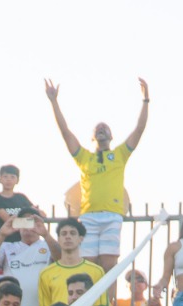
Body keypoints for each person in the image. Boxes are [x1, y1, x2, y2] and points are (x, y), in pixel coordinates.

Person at [46, 78, 149, 271]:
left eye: (105, 128)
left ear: (111, 136)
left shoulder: (119, 154)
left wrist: (145, 101)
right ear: (93, 137)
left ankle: (108, 302)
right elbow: (65, 131)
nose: (101, 130)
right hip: (88, 216)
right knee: (89, 265)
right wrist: (54, 102)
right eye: (97, 129)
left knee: (109, 265)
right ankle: (91, 302)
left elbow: (139, 129)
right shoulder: (84, 157)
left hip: (112, 215)